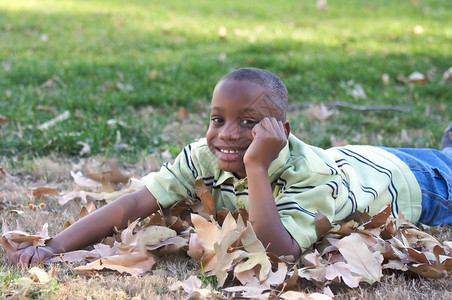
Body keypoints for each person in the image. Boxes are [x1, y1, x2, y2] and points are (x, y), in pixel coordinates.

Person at [12, 68, 452, 266]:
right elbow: (135, 201)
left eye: (248, 122)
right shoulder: (205, 156)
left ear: (281, 129)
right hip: (362, 160)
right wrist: (53, 247)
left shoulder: (306, 176)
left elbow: (280, 250)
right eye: (217, 119)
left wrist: (257, 169)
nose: (226, 134)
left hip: (413, 183)